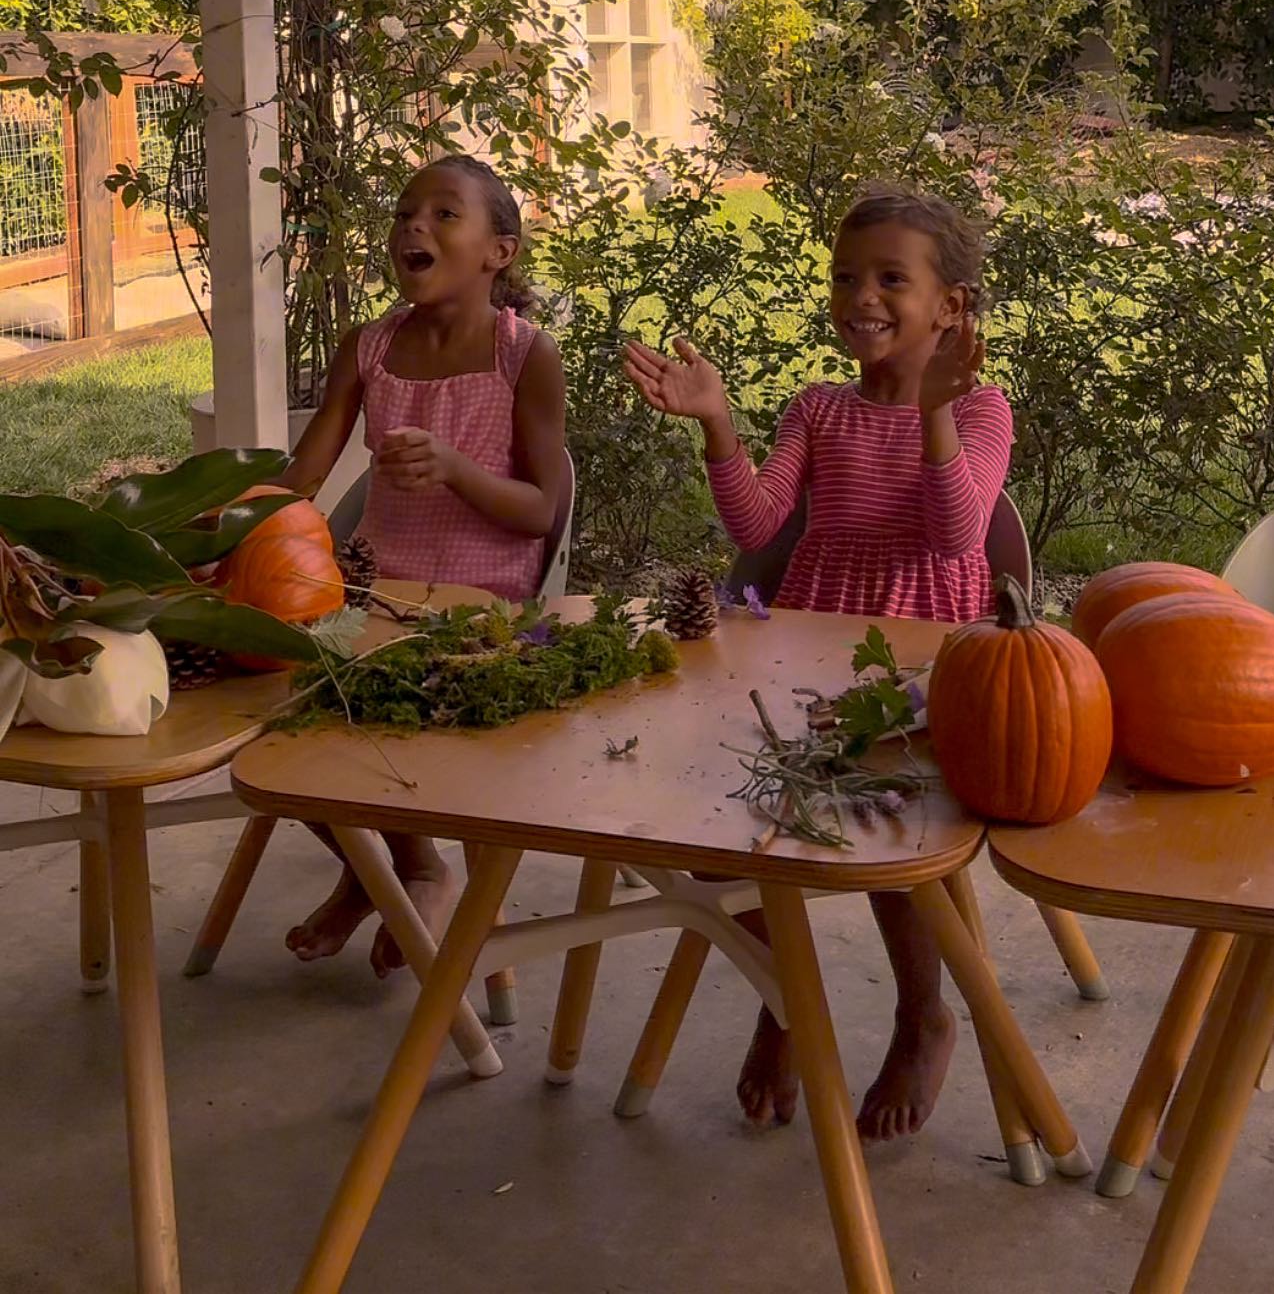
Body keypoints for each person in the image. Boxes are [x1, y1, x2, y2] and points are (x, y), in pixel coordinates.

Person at [623, 182, 1010, 1143]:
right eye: (846, 277)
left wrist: (932, 414)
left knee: (894, 845)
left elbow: (957, 535)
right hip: (808, 651)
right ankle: (787, 1001)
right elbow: (758, 526)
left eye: (890, 279)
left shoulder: (983, 410)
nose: (860, 298)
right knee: (741, 829)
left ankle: (925, 1016)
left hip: (917, 669)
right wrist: (717, 422)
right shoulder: (818, 408)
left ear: (949, 307)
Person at [281, 153, 566, 976]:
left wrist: (455, 469)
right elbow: (302, 478)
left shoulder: (524, 357)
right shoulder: (368, 348)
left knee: (369, 708)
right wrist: (214, 513)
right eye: (406, 211)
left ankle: (398, 870)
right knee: (269, 719)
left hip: (481, 605)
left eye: (444, 214)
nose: (414, 224)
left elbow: (543, 510)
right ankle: (386, 867)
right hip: (369, 589)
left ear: (497, 253)